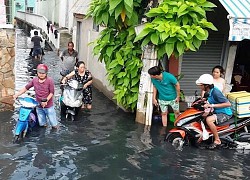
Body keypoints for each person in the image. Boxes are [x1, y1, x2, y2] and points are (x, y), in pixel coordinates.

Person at [13, 64, 59, 129]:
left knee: (54, 125)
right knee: (42, 124)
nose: (41, 74)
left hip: (48, 106)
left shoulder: (49, 81)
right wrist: (17, 94)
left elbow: (52, 93)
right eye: (40, 73)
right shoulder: (34, 80)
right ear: (37, 72)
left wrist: (46, 100)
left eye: (43, 73)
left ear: (46, 73)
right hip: (39, 106)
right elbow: (26, 88)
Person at [196, 74, 232, 149]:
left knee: (208, 120)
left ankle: (217, 140)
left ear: (206, 85)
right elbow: (209, 99)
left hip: (224, 113)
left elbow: (228, 104)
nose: (200, 86)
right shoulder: (209, 91)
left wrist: (211, 105)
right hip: (216, 111)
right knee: (202, 116)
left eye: (201, 85)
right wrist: (203, 100)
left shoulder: (216, 92)